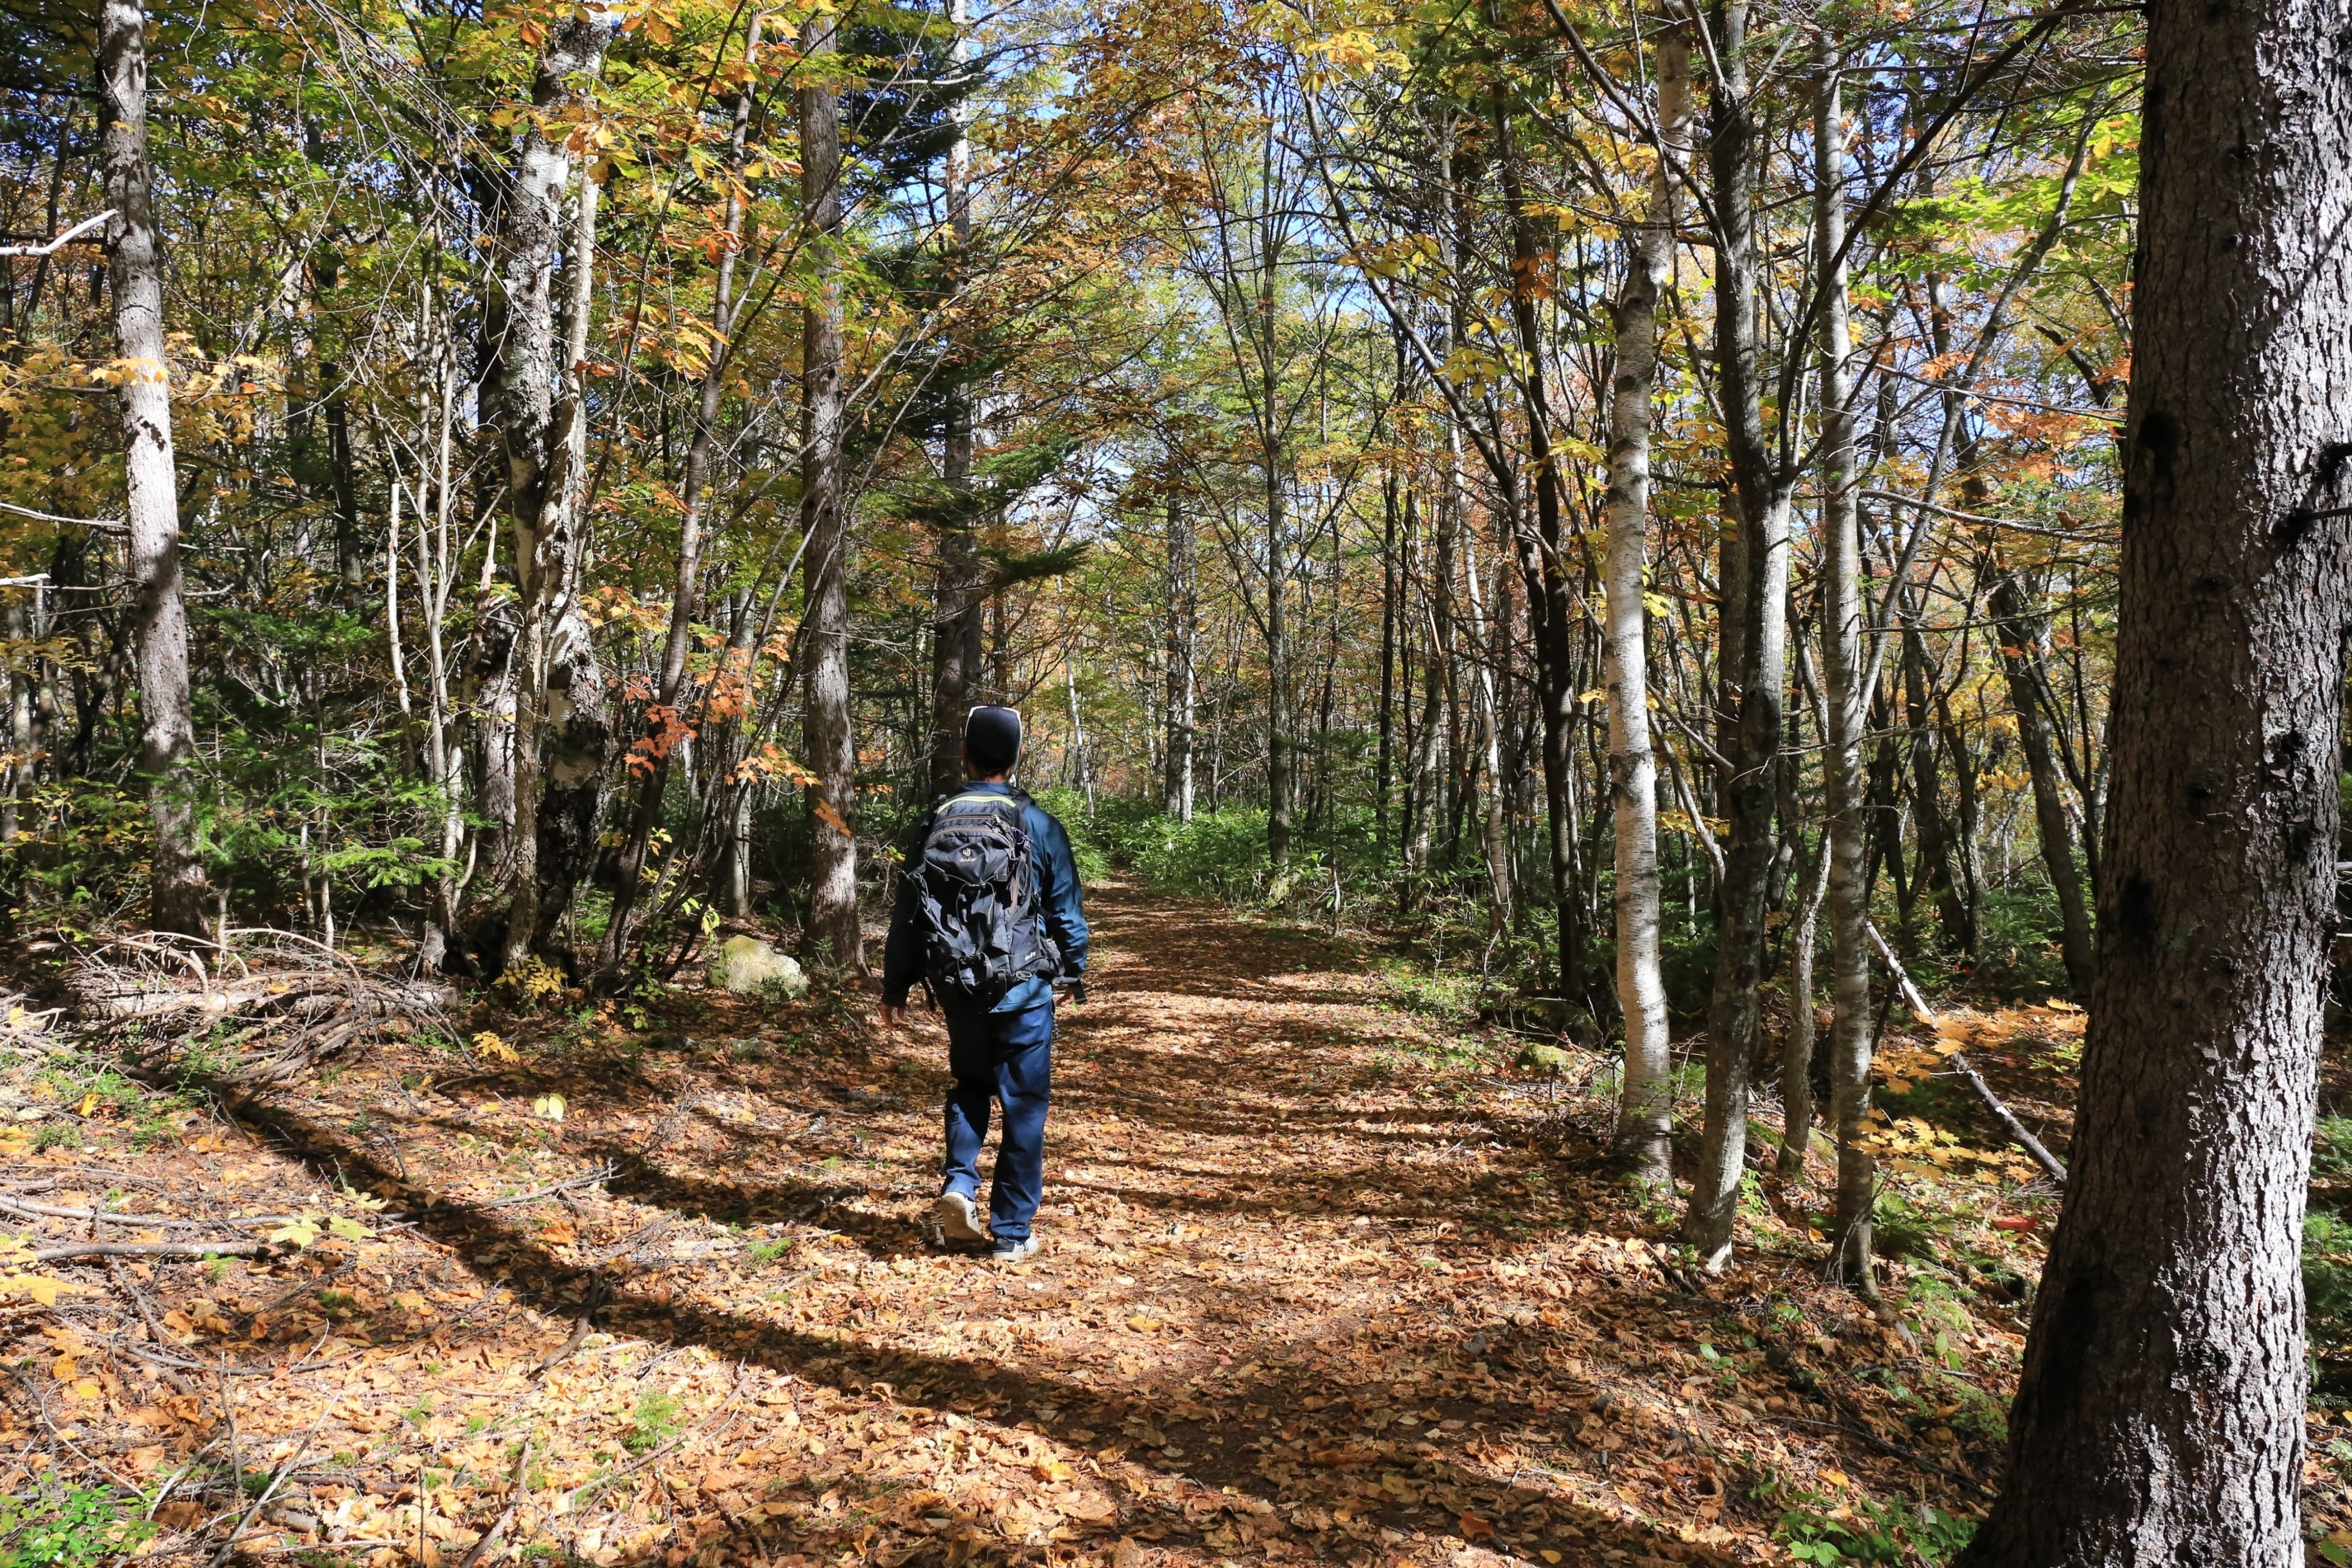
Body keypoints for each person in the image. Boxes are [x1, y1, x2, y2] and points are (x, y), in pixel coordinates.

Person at [879, 706, 1087, 1265]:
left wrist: (895, 987)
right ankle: (1013, 1232)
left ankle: (959, 1185)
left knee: (970, 1084)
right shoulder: (1035, 823)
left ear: (966, 755)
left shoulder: (934, 821)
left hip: (957, 988)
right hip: (1023, 990)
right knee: (1024, 1106)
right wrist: (1073, 969)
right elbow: (1065, 907)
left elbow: (907, 914)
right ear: (1015, 757)